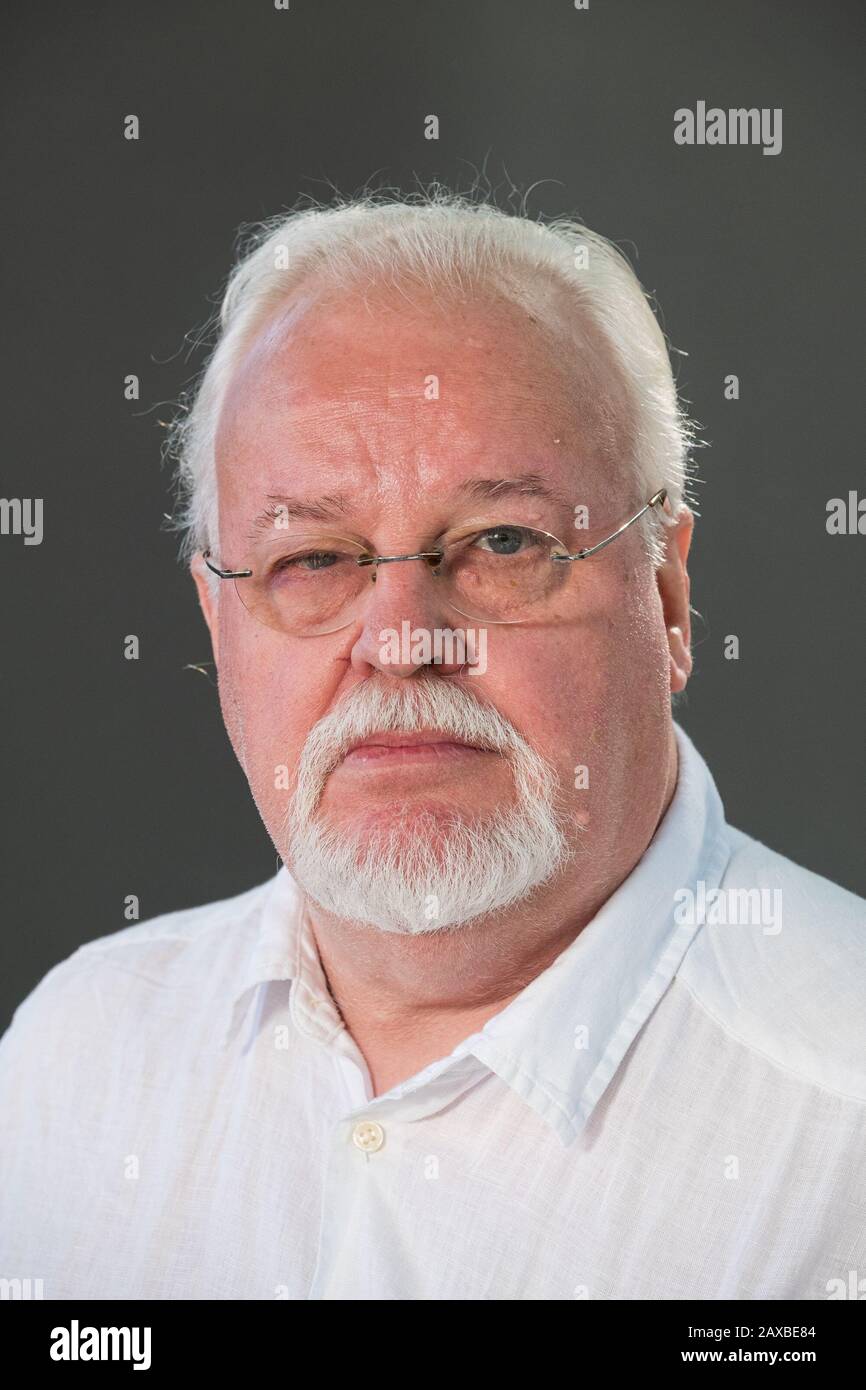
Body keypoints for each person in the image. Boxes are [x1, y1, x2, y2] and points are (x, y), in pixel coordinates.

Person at [1, 192, 864, 1300]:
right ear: (215, 623)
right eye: (312, 559)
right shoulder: (72, 1060)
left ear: (666, 593)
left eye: (501, 542)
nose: (400, 641)